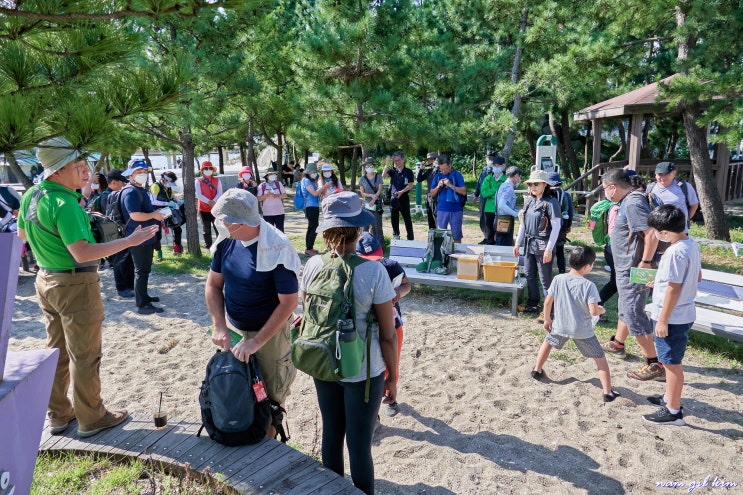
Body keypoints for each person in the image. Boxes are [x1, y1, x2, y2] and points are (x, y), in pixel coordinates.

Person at [17, 136, 159, 437]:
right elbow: (82, 252)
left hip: (46, 279)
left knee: (55, 351)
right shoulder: (64, 203)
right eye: (77, 166)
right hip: (75, 282)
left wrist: (52, 246)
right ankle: (91, 417)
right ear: (57, 170)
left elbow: (23, 235)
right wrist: (130, 241)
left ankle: (59, 414)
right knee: (86, 354)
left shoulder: (31, 195)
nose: (85, 172)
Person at [300, 192, 398, 495]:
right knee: (358, 445)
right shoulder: (373, 271)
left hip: (324, 362)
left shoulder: (314, 265)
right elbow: (387, 333)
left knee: (331, 434)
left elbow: (308, 314)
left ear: (326, 231)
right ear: (359, 230)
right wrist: (392, 376)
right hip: (362, 370)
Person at [206, 188, 301, 439]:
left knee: (269, 396)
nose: (219, 224)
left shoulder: (276, 248)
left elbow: (289, 302)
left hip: (269, 334)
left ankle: (267, 450)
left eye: (223, 220)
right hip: (235, 330)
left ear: (239, 223)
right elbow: (213, 285)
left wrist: (257, 341)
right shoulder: (228, 240)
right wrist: (219, 325)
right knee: (236, 388)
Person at [599, 169, 664, 381]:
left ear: (612, 187)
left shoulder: (633, 202)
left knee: (634, 313)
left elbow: (651, 234)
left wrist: (645, 262)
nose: (605, 194)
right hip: (627, 268)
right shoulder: (629, 200)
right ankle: (618, 343)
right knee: (627, 308)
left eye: (605, 189)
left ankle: (655, 363)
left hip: (634, 269)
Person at [531, 246, 620, 402]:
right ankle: (607, 392)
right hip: (582, 330)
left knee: (547, 343)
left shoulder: (558, 279)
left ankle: (537, 370)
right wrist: (602, 310)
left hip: (560, 326)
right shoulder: (589, 285)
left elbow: (547, 303)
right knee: (600, 358)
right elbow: (593, 311)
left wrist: (547, 319)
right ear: (587, 267)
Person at [642, 204, 701, 425]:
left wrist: (663, 320)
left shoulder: (675, 252)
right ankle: (668, 397)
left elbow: (674, 287)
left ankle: (674, 411)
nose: (656, 235)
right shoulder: (689, 243)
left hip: (673, 317)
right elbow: (696, 276)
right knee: (670, 360)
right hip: (682, 312)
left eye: (657, 232)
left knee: (671, 364)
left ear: (665, 232)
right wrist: (658, 282)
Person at [355, 232, 410, 417]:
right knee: (370, 366)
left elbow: (407, 284)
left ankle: (390, 397)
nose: (373, 262)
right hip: (368, 326)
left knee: (392, 362)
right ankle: (373, 409)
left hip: (393, 323)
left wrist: (398, 292)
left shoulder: (391, 266)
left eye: (376, 258)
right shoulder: (355, 270)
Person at [512, 170, 562, 315]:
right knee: (529, 274)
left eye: (536, 183)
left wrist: (549, 248)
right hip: (529, 243)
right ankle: (533, 302)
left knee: (545, 278)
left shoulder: (551, 203)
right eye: (530, 184)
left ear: (544, 184)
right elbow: (523, 224)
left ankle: (549, 310)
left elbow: (556, 226)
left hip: (543, 243)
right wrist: (517, 242)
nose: (533, 186)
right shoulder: (529, 201)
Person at [120, 160, 166, 314]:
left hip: (145, 236)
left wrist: (157, 215)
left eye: (145, 172)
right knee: (141, 271)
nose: (143, 175)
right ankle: (142, 304)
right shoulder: (131, 191)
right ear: (130, 174)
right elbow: (135, 215)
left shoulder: (140, 189)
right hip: (138, 237)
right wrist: (154, 215)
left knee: (144, 270)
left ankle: (144, 296)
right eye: (139, 172)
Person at [102, 170, 135, 298]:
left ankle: (129, 285)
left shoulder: (115, 194)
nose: (124, 185)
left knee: (127, 260)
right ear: (114, 182)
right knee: (119, 261)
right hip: (114, 234)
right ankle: (122, 288)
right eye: (123, 182)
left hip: (122, 233)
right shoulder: (107, 196)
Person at [646, 161, 700, 230]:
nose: (662, 177)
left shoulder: (685, 187)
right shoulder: (650, 188)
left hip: (679, 232)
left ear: (674, 173)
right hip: (657, 232)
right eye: (660, 174)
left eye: (666, 174)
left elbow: (694, 206)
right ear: (655, 175)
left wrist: (683, 221)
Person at [429, 155, 467, 243]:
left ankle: (457, 255)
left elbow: (463, 191)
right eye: (441, 169)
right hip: (442, 209)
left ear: (450, 165)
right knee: (441, 236)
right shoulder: (438, 176)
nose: (443, 171)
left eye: (445, 169)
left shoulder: (457, 175)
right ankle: (442, 255)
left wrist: (450, 185)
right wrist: (438, 186)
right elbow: (431, 194)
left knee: (456, 236)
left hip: (456, 210)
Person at [383, 151, 415, 240]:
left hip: (404, 198)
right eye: (395, 161)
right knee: (394, 219)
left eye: (399, 160)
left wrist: (401, 192)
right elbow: (383, 175)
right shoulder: (393, 170)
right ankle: (396, 236)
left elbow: (410, 184)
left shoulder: (408, 171)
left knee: (407, 219)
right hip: (394, 198)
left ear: (403, 159)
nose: (397, 162)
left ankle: (410, 238)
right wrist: (387, 164)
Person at [150, 171, 184, 256]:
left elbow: (172, 196)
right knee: (157, 233)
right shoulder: (155, 186)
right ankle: (159, 253)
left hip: (167, 210)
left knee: (177, 227)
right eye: (169, 182)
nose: (170, 184)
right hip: (156, 212)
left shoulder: (168, 187)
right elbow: (153, 201)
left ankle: (177, 248)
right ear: (164, 179)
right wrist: (167, 203)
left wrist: (179, 201)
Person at [546, 172, 574, 274]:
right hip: (561, 226)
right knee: (560, 251)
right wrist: (568, 225)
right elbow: (570, 211)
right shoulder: (565, 195)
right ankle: (562, 272)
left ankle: (546, 272)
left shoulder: (546, 195)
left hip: (547, 227)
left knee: (547, 249)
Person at [474, 153, 505, 243]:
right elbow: (484, 193)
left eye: (498, 166)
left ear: (503, 167)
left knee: (500, 231)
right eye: (494, 165)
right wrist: (496, 189)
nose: (496, 167)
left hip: (502, 210)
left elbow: (504, 194)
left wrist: (491, 191)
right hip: (489, 208)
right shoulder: (488, 178)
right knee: (489, 230)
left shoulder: (506, 179)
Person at [195, 161, 222, 249]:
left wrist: (214, 201)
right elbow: (198, 194)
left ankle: (219, 245)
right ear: (202, 170)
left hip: (215, 208)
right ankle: (208, 246)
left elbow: (219, 192)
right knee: (206, 229)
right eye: (206, 168)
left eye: (210, 168)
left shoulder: (217, 180)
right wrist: (208, 201)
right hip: (203, 209)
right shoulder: (198, 181)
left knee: (218, 227)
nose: (208, 170)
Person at [358, 157, 384, 245]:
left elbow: (380, 189)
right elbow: (362, 192)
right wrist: (370, 196)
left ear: (373, 166)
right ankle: (363, 245)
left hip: (376, 204)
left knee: (377, 226)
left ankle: (380, 245)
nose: (369, 167)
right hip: (366, 205)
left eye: (371, 165)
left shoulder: (379, 176)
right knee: (365, 226)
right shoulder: (362, 179)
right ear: (365, 167)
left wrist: (374, 198)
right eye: (367, 165)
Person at [494, 166, 521, 246]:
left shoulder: (502, 185)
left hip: (499, 220)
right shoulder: (508, 187)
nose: (519, 179)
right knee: (504, 247)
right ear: (516, 175)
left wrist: (518, 211)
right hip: (505, 221)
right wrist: (516, 214)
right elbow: (501, 205)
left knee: (500, 245)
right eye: (519, 177)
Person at [300, 163, 324, 256]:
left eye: (315, 172)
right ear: (308, 172)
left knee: (311, 227)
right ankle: (309, 248)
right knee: (314, 227)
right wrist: (324, 187)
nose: (315, 174)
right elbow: (314, 193)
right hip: (310, 206)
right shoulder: (306, 181)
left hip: (313, 206)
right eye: (313, 172)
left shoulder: (311, 181)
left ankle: (309, 248)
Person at [416, 151, 439, 229]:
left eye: (432, 159)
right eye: (429, 160)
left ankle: (438, 236)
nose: (430, 161)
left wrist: (437, 167)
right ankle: (431, 236)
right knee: (430, 219)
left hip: (437, 197)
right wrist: (421, 169)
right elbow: (419, 179)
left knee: (436, 218)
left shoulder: (440, 171)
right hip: (429, 197)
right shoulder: (429, 171)